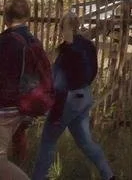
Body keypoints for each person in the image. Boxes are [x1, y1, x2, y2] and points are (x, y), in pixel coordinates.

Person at [31, 12, 114, 180]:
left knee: (48, 141)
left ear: (63, 27)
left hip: (66, 100)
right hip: (84, 96)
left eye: (61, 27)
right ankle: (109, 175)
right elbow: (93, 71)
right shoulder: (88, 45)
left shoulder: (67, 50)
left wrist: (54, 108)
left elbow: (59, 82)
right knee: (85, 142)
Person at [0, 0, 42, 180]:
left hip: (6, 106)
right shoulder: (33, 41)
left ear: (5, 19)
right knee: (17, 146)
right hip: (25, 104)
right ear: (27, 18)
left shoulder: (6, 42)